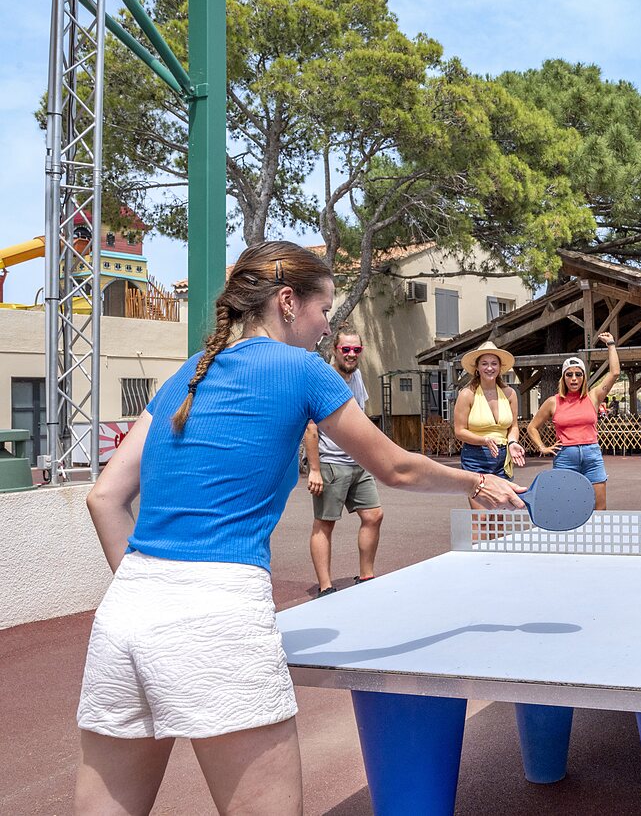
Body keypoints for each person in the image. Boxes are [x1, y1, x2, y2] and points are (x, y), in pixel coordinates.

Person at [76, 241, 524, 815]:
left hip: (125, 614)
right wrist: (474, 482)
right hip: (217, 612)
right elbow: (396, 466)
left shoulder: (186, 375)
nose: (324, 328)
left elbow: (103, 497)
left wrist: (150, 598)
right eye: (323, 311)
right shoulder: (304, 370)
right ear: (288, 302)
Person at [304, 327, 382, 596]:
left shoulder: (357, 376)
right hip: (331, 464)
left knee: (374, 515)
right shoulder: (324, 378)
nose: (351, 354)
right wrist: (314, 469)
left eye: (356, 350)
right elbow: (310, 428)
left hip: (358, 462)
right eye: (345, 349)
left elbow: (361, 417)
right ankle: (326, 586)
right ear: (335, 350)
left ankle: (367, 575)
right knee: (325, 523)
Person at [527, 332, 621, 509]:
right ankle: (572, 537)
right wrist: (542, 447)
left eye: (578, 374)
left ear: (584, 377)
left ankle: (596, 537)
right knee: (567, 507)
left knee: (599, 507)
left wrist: (611, 344)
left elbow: (615, 372)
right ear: (563, 378)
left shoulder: (593, 397)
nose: (574, 379)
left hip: (591, 455)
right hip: (565, 458)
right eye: (569, 375)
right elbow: (532, 427)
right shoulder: (553, 402)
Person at [452, 341, 526, 510]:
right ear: (477, 368)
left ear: (500, 367)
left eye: (494, 363)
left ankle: (496, 538)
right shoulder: (467, 394)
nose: (489, 368)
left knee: (499, 516)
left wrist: (513, 442)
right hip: (475, 457)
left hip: (502, 457)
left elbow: (513, 426)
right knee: (482, 518)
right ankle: (479, 538)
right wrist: (483, 440)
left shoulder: (509, 393)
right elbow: (459, 431)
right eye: (484, 364)